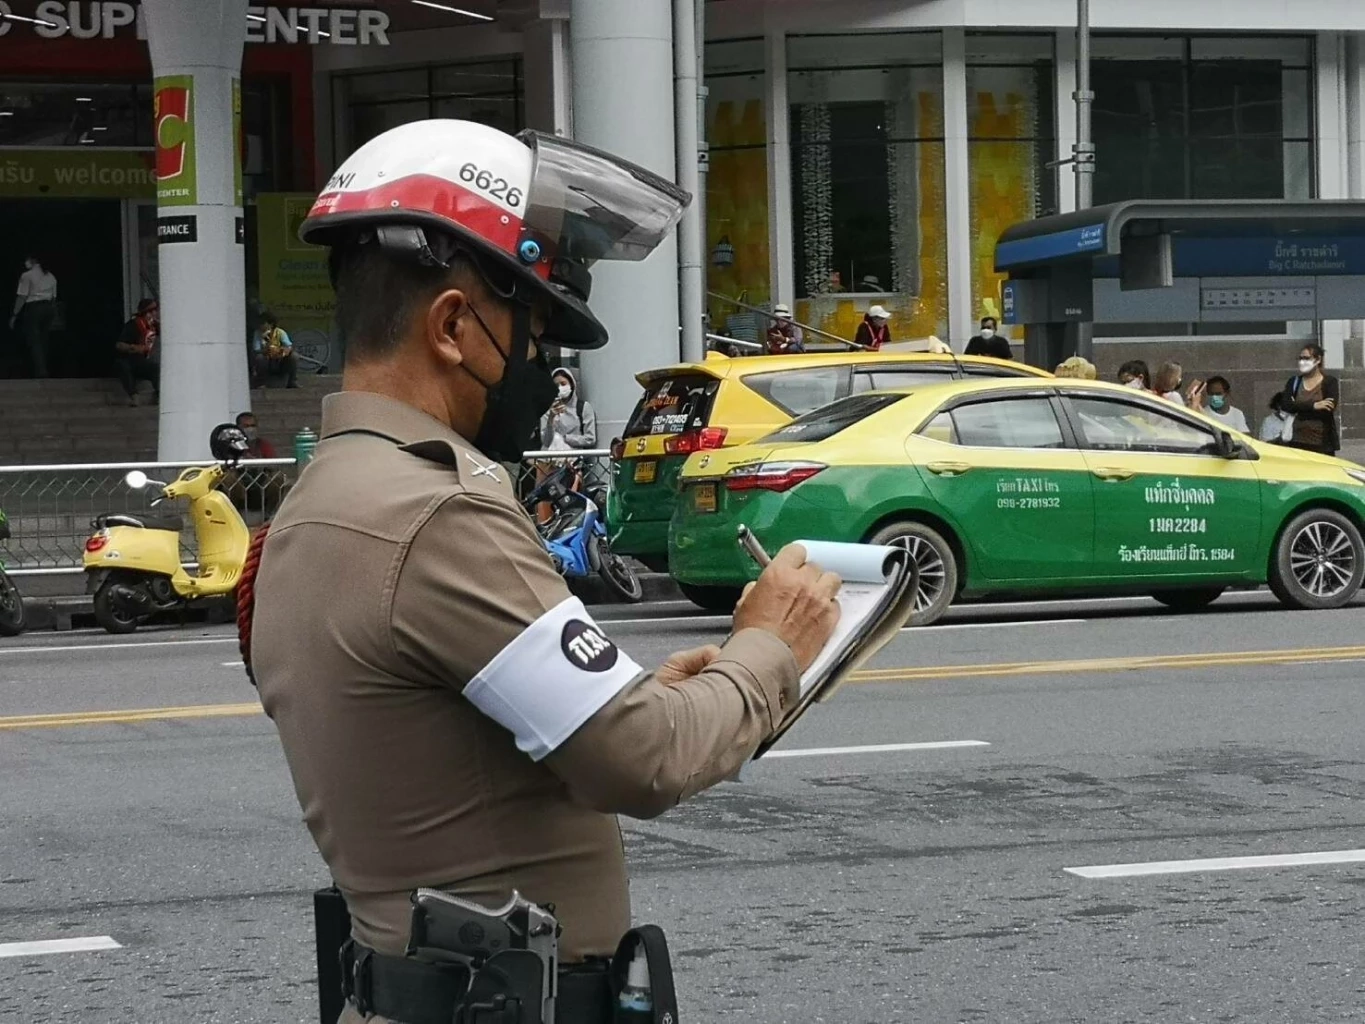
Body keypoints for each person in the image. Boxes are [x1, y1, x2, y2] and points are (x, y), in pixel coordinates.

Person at [241, 120, 842, 1024]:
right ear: (452, 324)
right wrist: (769, 646)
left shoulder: (320, 501)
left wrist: (682, 686)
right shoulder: (435, 515)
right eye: (534, 334)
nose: (544, 368)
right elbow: (644, 761)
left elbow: (489, 739)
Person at [1279, 343, 1340, 455]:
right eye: (1300, 358)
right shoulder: (1294, 382)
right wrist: (1314, 406)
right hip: (1296, 441)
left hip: (1322, 443)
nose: (1302, 362)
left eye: (1306, 358)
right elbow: (1286, 405)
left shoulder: (1329, 382)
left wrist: (1298, 407)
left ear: (1318, 360)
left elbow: (1328, 409)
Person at [10, 254, 58, 378]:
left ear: (32, 261)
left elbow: (22, 296)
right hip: (49, 308)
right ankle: (42, 367)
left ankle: (41, 370)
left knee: (34, 340)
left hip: (35, 307)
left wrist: (14, 314)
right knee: (44, 339)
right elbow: (53, 297)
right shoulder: (51, 276)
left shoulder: (27, 275)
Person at [114, 298, 160, 406]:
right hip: (130, 360)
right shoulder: (133, 325)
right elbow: (119, 345)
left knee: (156, 368)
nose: (155, 313)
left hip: (144, 361)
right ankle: (134, 396)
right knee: (122, 366)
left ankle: (159, 394)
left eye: (156, 309)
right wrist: (134, 347)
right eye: (153, 310)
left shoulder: (155, 326)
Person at [251, 311, 300, 389]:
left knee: (294, 356)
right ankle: (261, 382)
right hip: (266, 360)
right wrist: (266, 350)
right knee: (259, 358)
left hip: (280, 360)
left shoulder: (280, 332)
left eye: (263, 323)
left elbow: (289, 346)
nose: (261, 326)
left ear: (270, 324)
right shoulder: (258, 333)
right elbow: (256, 349)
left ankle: (292, 381)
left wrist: (283, 351)